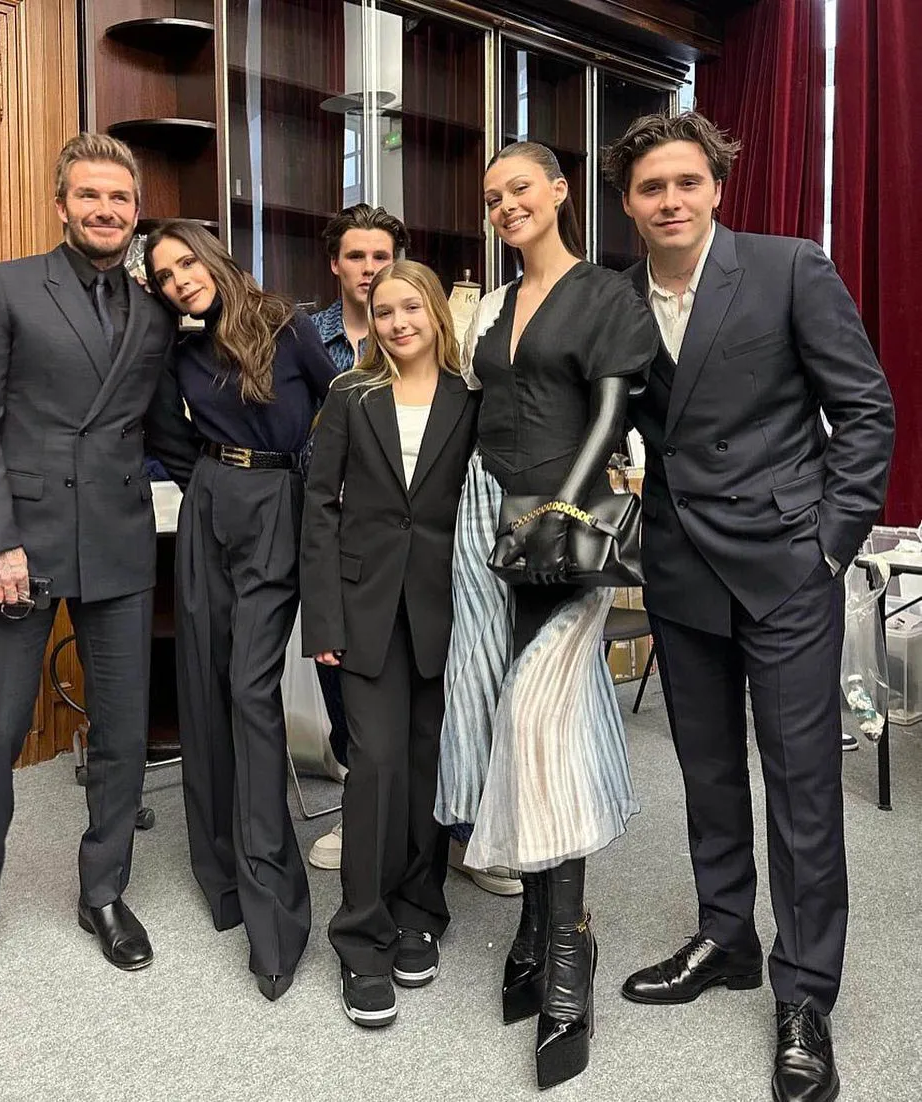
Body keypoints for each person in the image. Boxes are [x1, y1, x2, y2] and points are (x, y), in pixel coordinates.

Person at [602, 112, 895, 1102]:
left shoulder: (788, 268)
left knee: (802, 790)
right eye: (651, 187)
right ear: (628, 202)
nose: (670, 201)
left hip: (784, 567)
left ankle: (803, 992)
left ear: (716, 187)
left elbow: (865, 411)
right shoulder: (615, 298)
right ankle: (725, 937)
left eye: (686, 182)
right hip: (681, 568)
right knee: (710, 775)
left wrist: (828, 545)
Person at [0, 133, 197, 993]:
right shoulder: (4, 285)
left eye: (120, 198)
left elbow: (163, 431)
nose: (105, 210)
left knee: (122, 732)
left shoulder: (154, 314)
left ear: (136, 211)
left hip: (118, 540)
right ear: (61, 205)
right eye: (89, 195)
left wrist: (250, 483)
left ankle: (104, 893)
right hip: (18, 546)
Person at [434, 142, 659, 1089]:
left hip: (560, 526)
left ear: (559, 193)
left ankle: (568, 951)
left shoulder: (605, 293)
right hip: (485, 518)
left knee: (541, 724)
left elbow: (610, 417)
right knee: (500, 719)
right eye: (491, 197)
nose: (503, 206)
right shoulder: (492, 305)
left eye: (518, 189)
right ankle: (532, 925)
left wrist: (562, 510)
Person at [144, 220, 337, 1002]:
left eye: (186, 263)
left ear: (214, 257)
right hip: (210, 503)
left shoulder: (285, 325)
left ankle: (273, 920)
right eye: (164, 276)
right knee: (202, 686)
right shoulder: (180, 352)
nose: (179, 280)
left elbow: (338, 407)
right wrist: (213, 485)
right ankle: (220, 879)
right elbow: (166, 435)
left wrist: (310, 499)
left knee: (250, 694)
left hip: (278, 502)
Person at [300, 260, 479, 1028]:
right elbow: (319, 507)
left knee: (426, 767)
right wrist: (323, 620)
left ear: (436, 313)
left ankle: (418, 912)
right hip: (363, 608)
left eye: (411, 306)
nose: (399, 321)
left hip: (447, 611)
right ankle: (360, 938)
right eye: (384, 310)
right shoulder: (350, 394)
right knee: (373, 767)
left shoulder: (471, 397)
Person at [305, 203, 410, 873]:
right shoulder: (306, 339)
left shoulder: (419, 328)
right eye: (356, 256)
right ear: (335, 265)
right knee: (339, 671)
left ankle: (446, 820)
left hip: (409, 538)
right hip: (334, 535)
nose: (369, 269)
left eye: (381, 257)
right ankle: (358, 803)